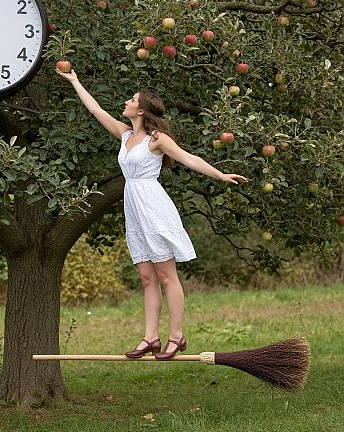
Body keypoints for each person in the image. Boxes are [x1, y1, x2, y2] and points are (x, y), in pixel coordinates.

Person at [56, 67, 249, 360]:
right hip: (134, 210)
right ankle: (150, 338)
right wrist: (74, 81)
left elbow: (188, 158)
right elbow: (95, 109)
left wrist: (220, 175)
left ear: (142, 109)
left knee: (166, 275)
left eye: (131, 100)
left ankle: (177, 336)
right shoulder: (124, 135)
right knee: (147, 278)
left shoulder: (156, 139)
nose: (126, 102)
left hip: (154, 208)